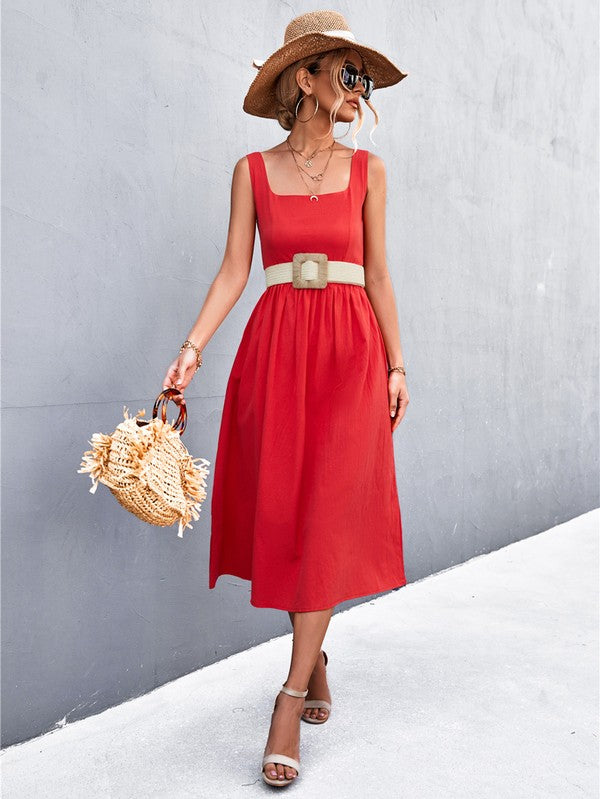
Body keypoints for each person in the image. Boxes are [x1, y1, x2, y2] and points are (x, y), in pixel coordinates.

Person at [162, 10, 410, 788]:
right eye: (348, 71)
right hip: (275, 351)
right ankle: (318, 649)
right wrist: (191, 349)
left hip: (350, 355)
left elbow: (377, 272)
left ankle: (291, 691)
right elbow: (235, 269)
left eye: (363, 78)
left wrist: (399, 364)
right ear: (306, 78)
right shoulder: (252, 171)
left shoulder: (370, 172)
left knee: (329, 515)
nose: (359, 89)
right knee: (288, 517)